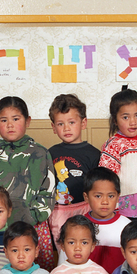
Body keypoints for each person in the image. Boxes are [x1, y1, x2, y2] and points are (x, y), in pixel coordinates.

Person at [0, 96, 58, 269]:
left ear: (27, 121)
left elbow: (48, 190)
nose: (10, 125)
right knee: (0, 271)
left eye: (16, 119)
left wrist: (32, 217)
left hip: (34, 226)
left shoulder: (40, 153)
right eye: (4, 120)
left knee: (36, 272)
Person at [99, 88, 137, 219]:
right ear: (115, 120)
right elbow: (107, 178)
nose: (133, 122)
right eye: (125, 117)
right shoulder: (114, 144)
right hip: (124, 207)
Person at [47, 94, 100, 235]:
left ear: (83, 123)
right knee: (61, 243)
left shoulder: (94, 154)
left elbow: (98, 187)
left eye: (71, 122)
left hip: (85, 208)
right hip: (58, 210)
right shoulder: (50, 153)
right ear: (53, 127)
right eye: (60, 124)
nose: (66, 128)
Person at [62, 167, 130, 273]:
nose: (105, 201)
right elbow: (64, 265)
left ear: (118, 197)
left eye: (111, 196)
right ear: (86, 197)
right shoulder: (76, 227)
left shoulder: (127, 226)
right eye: (98, 196)